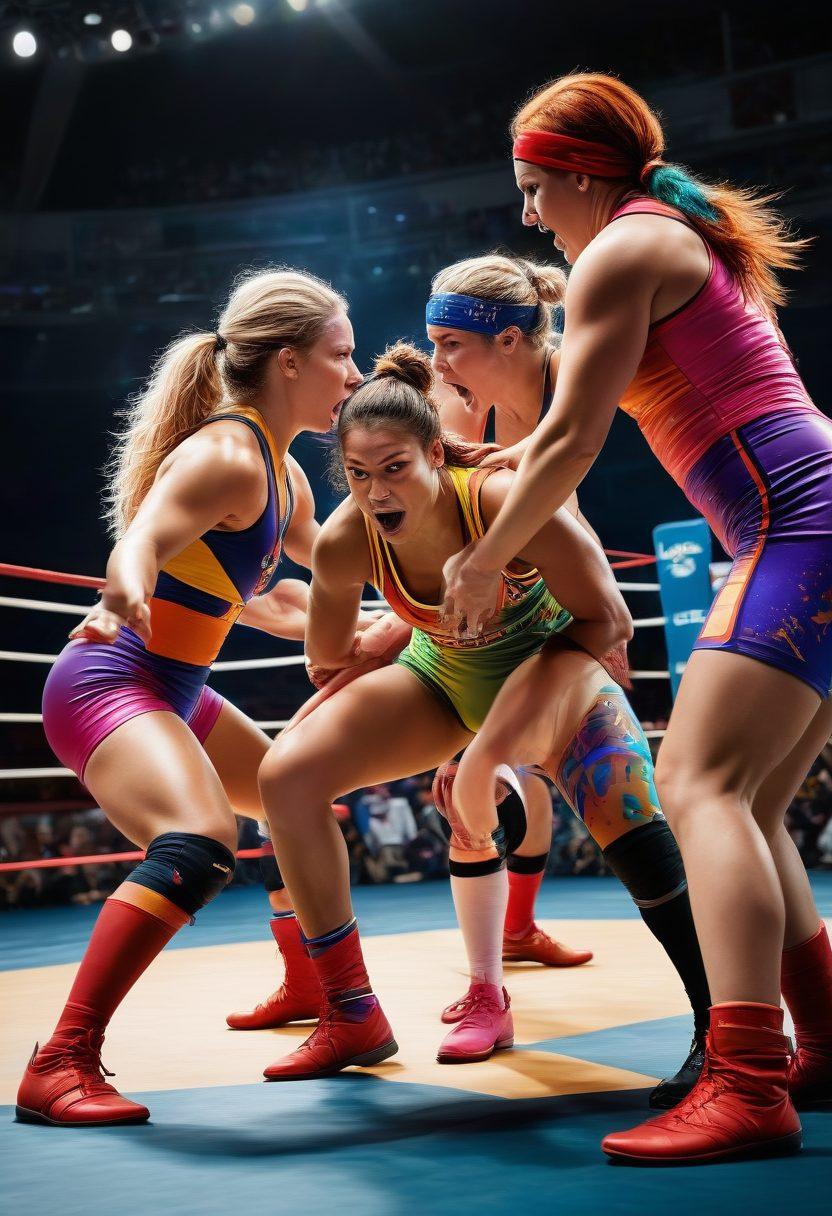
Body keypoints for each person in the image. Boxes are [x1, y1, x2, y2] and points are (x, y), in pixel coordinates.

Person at [439, 71, 832, 1163]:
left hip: (795, 527)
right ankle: (822, 1042)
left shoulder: (622, 248)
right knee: (746, 804)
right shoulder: (665, 235)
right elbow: (578, 411)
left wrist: (483, 556)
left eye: (532, 189)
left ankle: (748, 1083)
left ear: (576, 174)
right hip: (810, 519)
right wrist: (501, 454)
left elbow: (574, 440)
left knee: (700, 783)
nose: (526, 215)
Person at [255, 340, 660, 1082]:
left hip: (551, 666)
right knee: (290, 775)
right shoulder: (354, 531)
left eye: (395, 468)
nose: (376, 491)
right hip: (444, 681)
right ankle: (362, 1010)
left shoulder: (504, 487)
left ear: (439, 452)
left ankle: (735, 1027)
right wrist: (347, 633)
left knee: (624, 822)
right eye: (358, 473)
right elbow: (328, 652)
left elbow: (603, 612)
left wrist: (487, 743)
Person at [16, 268, 364, 1127]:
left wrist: (419, 604)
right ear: (288, 362)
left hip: (178, 689)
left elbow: (296, 594)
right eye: (341, 356)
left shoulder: (286, 478)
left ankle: (303, 984)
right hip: (109, 681)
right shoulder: (223, 454)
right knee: (203, 838)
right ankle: (59, 1061)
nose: (354, 378)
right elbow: (139, 541)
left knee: (293, 792)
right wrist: (124, 592)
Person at [427, 255, 712, 1103]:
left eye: (450, 343)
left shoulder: (575, 372)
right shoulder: (454, 393)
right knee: (466, 787)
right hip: (480, 626)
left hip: (559, 613)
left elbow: (562, 489)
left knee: (625, 801)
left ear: (509, 338)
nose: (436, 359)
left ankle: (724, 1027)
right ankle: (488, 978)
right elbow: (426, 499)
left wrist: (594, 615)